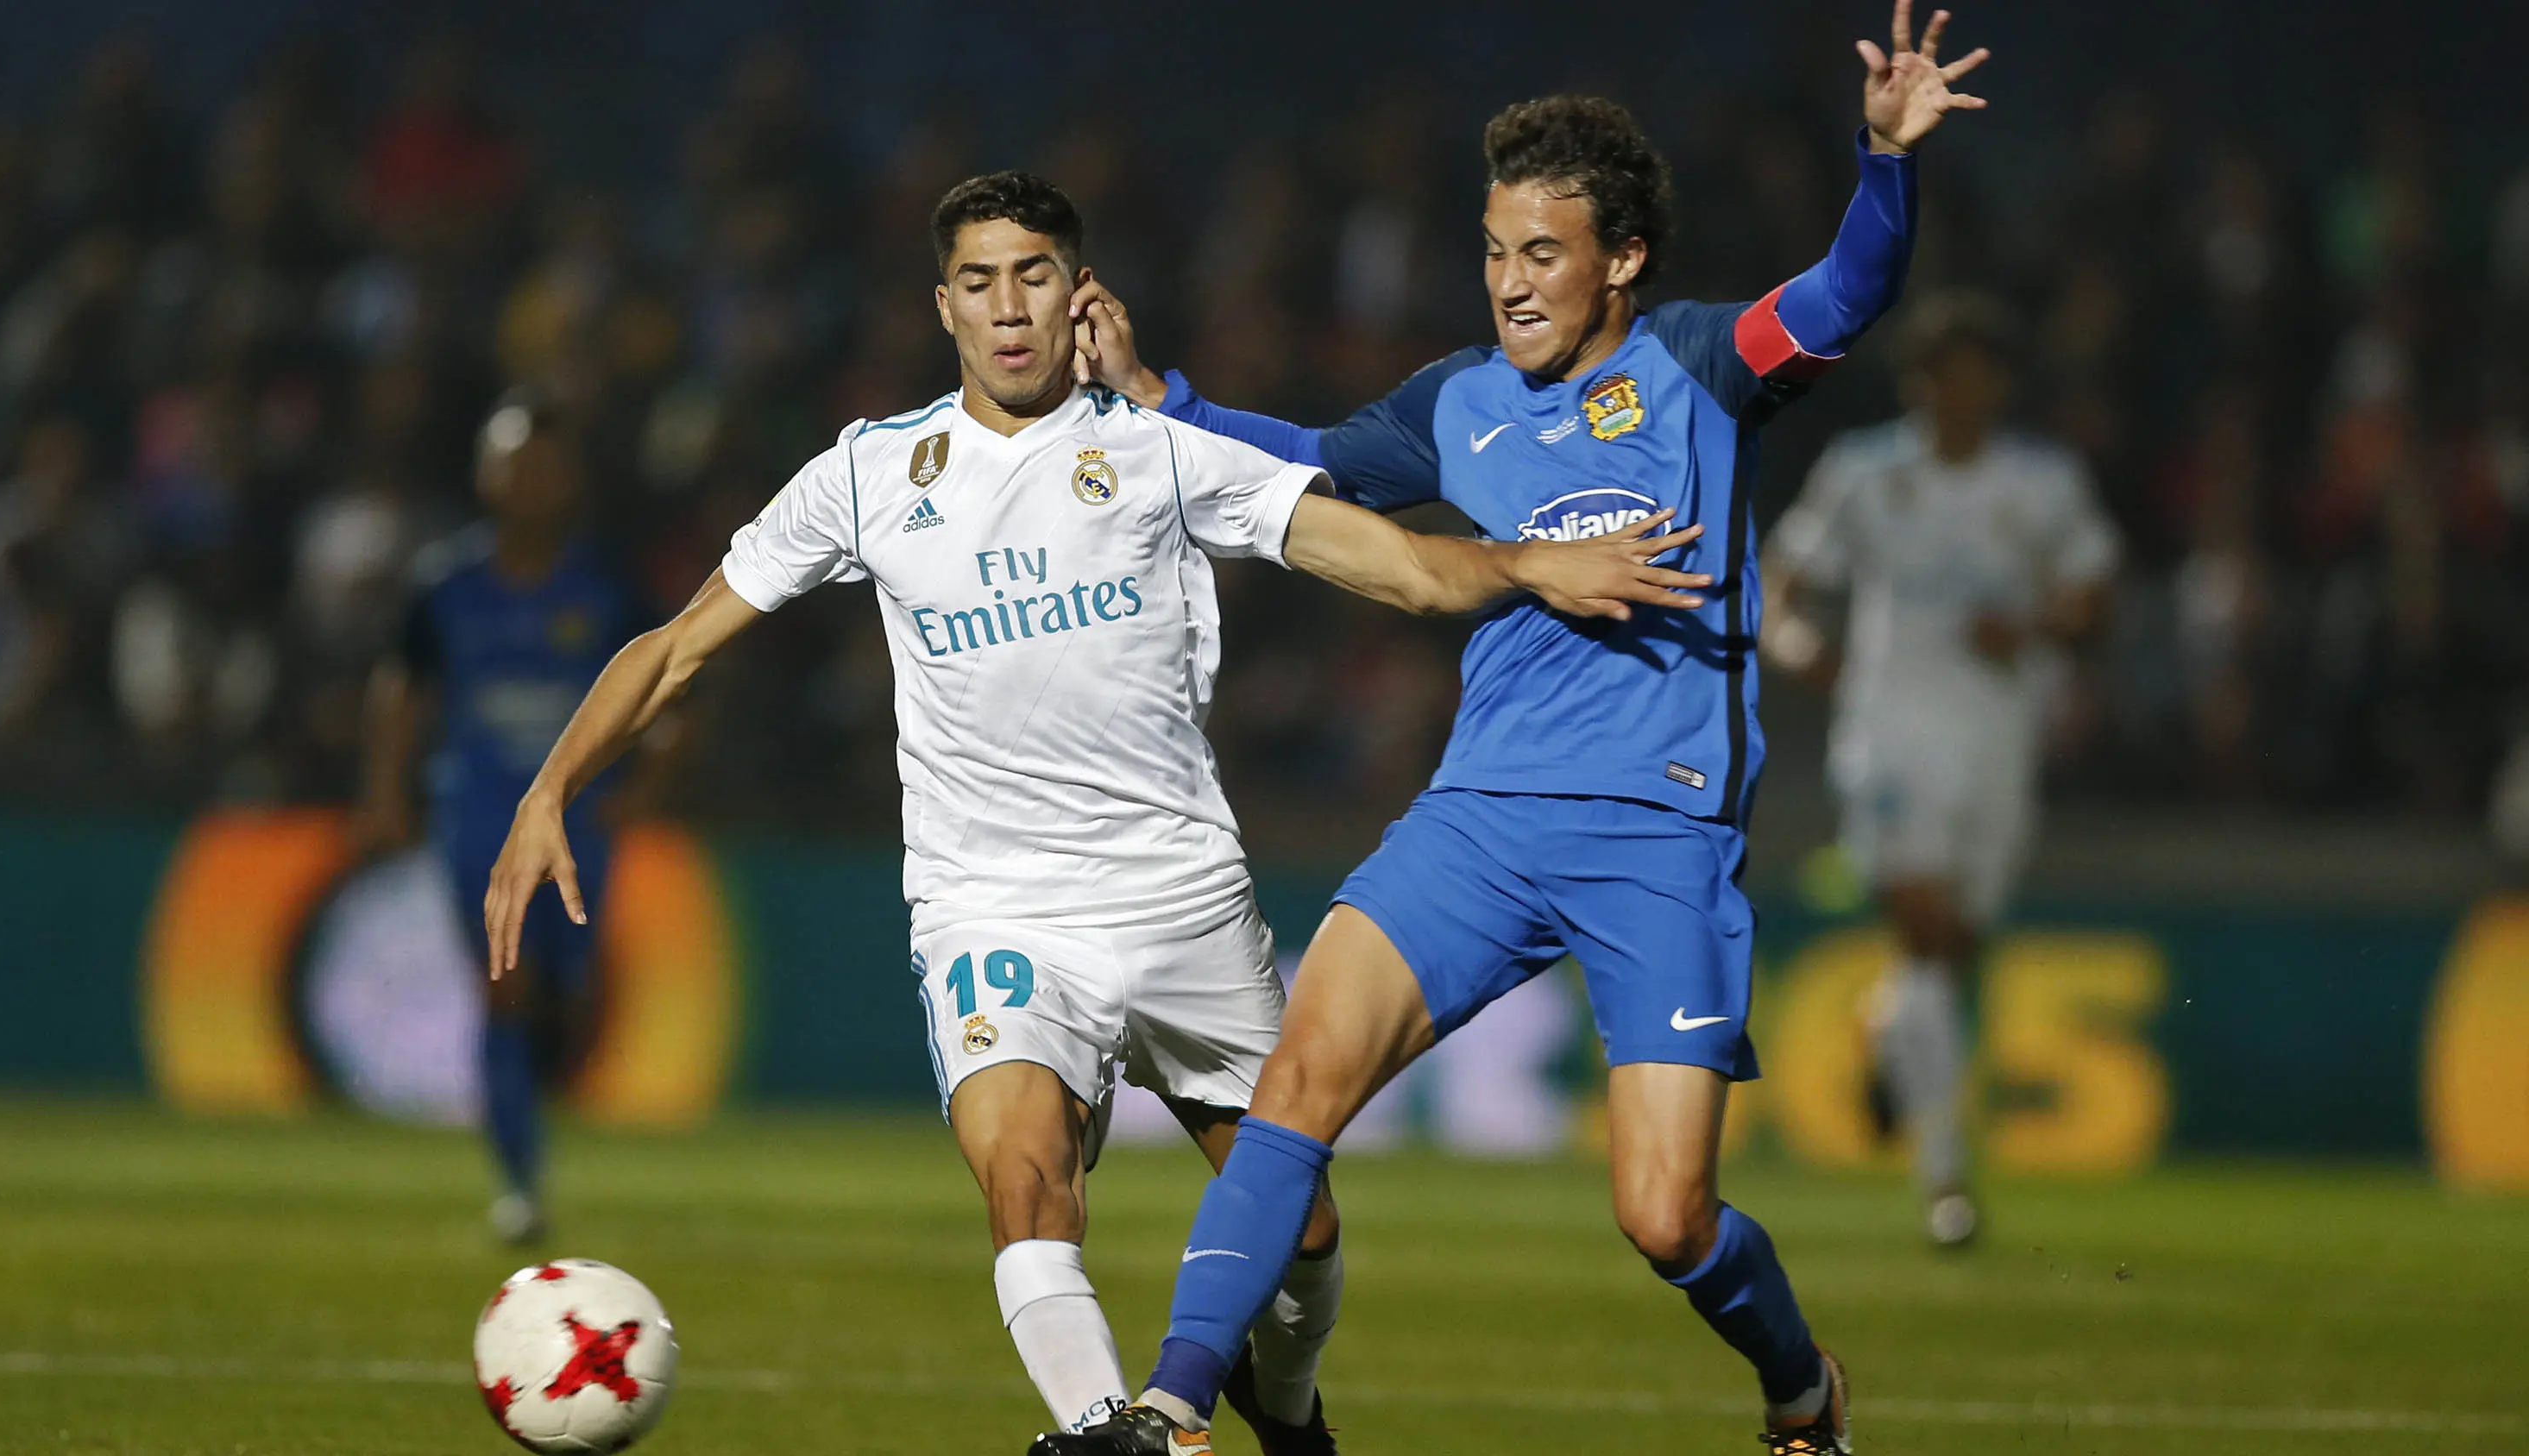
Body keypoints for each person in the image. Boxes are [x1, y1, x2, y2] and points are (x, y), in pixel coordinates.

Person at [480, 171, 1708, 1447]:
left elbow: (1395, 566)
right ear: (942, 304)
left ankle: (1286, 1412)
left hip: (1178, 897)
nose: (1007, 308)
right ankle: (1120, 1433)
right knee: (1027, 1181)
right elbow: (677, 646)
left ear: (1079, 293)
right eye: (978, 281)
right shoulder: (869, 472)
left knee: (1306, 1228)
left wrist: (1526, 563)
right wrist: (551, 786)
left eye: (1032, 275)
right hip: (992, 903)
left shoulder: (1162, 454)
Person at [1043, 6, 1985, 1452]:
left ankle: (1803, 1393)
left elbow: (1845, 295)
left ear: (1621, 258)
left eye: (1542, 252)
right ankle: (1170, 1409)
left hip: (1658, 834)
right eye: (1494, 252)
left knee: (1664, 1213)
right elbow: (1308, 464)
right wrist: (1167, 400)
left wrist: (1884, 162)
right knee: (1300, 1080)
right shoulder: (1460, 404)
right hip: (1479, 815)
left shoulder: (1703, 366)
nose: (1510, 282)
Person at [1764, 292, 2119, 1248]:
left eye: (1974, 376)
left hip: (2001, 736)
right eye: (1940, 376)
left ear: (1996, 386)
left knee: (1950, 947)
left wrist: (2038, 625)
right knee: (1924, 931)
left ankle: (1888, 1028)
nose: (1957, 394)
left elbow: (2093, 596)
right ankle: (1944, 1176)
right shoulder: (1867, 472)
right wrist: (1795, 645)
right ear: (1919, 385)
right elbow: (1784, 582)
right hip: (1889, 731)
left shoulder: (2041, 483)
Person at [356, 388, 664, 1245]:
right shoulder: (444, 585)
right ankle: (520, 1184)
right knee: (505, 987)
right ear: (486, 474)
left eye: (545, 463)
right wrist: (387, 790)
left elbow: (670, 684)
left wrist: (652, 779)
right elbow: (403, 688)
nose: (528, 479)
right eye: (513, 461)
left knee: (564, 997)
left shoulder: (606, 587)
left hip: (581, 817)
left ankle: (531, 1115)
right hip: (481, 815)